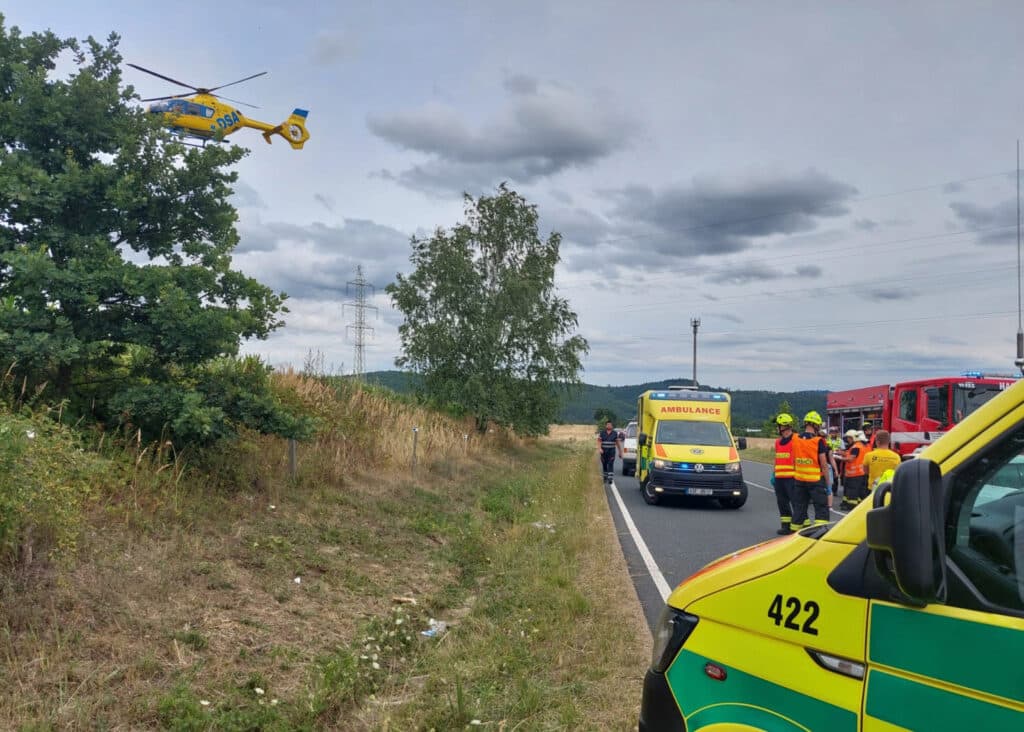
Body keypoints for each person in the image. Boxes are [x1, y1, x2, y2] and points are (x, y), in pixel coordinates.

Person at [790, 411, 832, 528]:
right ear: (816, 425)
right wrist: (828, 485)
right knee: (821, 508)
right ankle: (820, 531)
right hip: (816, 481)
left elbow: (794, 460)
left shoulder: (796, 439)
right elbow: (824, 465)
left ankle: (794, 533)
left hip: (799, 480)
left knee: (799, 508)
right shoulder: (818, 441)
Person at [771, 413, 797, 535]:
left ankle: (797, 526)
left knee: (796, 503)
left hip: (792, 478)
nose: (777, 428)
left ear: (784, 426)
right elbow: (776, 459)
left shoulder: (796, 439)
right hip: (779, 479)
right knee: (782, 503)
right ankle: (786, 526)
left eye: (778, 426)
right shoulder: (778, 442)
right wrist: (773, 474)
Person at [838, 429, 867, 510]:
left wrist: (839, 458)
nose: (848, 439)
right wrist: (842, 453)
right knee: (858, 491)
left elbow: (850, 458)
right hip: (859, 473)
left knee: (852, 492)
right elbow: (850, 454)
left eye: (849, 438)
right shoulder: (858, 445)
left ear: (853, 438)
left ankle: (851, 506)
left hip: (854, 473)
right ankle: (855, 505)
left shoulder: (856, 447)